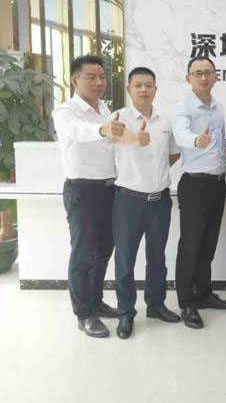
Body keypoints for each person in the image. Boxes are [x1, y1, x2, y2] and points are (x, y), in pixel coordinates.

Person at [111, 67, 182, 339]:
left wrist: (156, 172)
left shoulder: (165, 121)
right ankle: (125, 312)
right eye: (138, 85)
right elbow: (112, 138)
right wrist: (133, 139)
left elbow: (173, 154)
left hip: (159, 201)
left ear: (155, 89)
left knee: (157, 257)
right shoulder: (119, 118)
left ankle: (155, 305)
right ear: (129, 88)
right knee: (125, 259)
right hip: (128, 201)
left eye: (149, 85)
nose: (144, 89)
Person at [53, 55, 120, 338]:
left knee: (104, 249)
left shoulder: (104, 108)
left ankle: (95, 300)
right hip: (82, 190)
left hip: (109, 189)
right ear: (75, 80)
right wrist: (102, 129)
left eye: (102, 77)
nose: (98, 83)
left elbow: (112, 144)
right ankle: (84, 314)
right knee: (83, 253)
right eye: (91, 77)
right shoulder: (65, 111)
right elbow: (78, 132)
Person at [173, 57, 226, 330]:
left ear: (216, 76)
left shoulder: (218, 106)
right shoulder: (183, 107)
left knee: (208, 243)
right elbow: (180, 135)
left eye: (208, 72)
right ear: (188, 78)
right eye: (197, 73)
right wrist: (196, 140)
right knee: (190, 244)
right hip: (195, 185)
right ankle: (187, 302)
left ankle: (204, 292)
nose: (203, 77)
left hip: (217, 183)